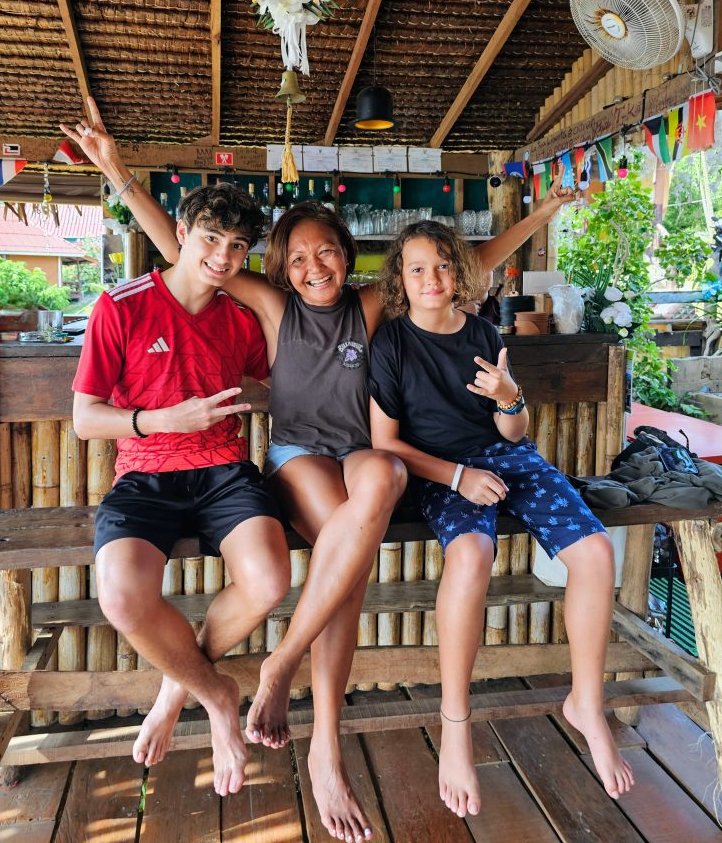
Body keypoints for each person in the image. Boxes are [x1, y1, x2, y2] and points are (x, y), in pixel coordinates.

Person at [62, 98, 574, 843]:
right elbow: (188, 251)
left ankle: (272, 669)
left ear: (349, 253)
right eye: (297, 257)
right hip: (296, 457)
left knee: (382, 483)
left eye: (326, 252)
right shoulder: (273, 307)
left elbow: (474, 262)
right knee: (350, 555)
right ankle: (323, 750)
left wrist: (540, 213)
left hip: (360, 453)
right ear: (280, 267)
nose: (313, 267)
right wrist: (117, 174)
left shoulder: (373, 308)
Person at [367, 221, 635, 821]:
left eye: (441, 265)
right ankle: (455, 723)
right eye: (417, 269)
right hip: (441, 470)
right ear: (400, 280)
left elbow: (513, 432)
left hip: (508, 458)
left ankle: (586, 702)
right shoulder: (392, 345)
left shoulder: (485, 331)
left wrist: (511, 397)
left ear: (458, 272)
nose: (431, 278)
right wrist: (458, 478)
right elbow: (385, 443)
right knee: (471, 556)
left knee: (595, 552)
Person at [71, 180, 291, 797]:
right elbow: (86, 419)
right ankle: (217, 693)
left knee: (270, 581)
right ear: (182, 236)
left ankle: (178, 688)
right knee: (122, 600)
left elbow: (263, 389)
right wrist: (161, 419)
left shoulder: (241, 319)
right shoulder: (120, 305)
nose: (223, 256)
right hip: (144, 476)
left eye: (238, 245)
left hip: (225, 471)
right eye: (212, 237)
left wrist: (258, 396)